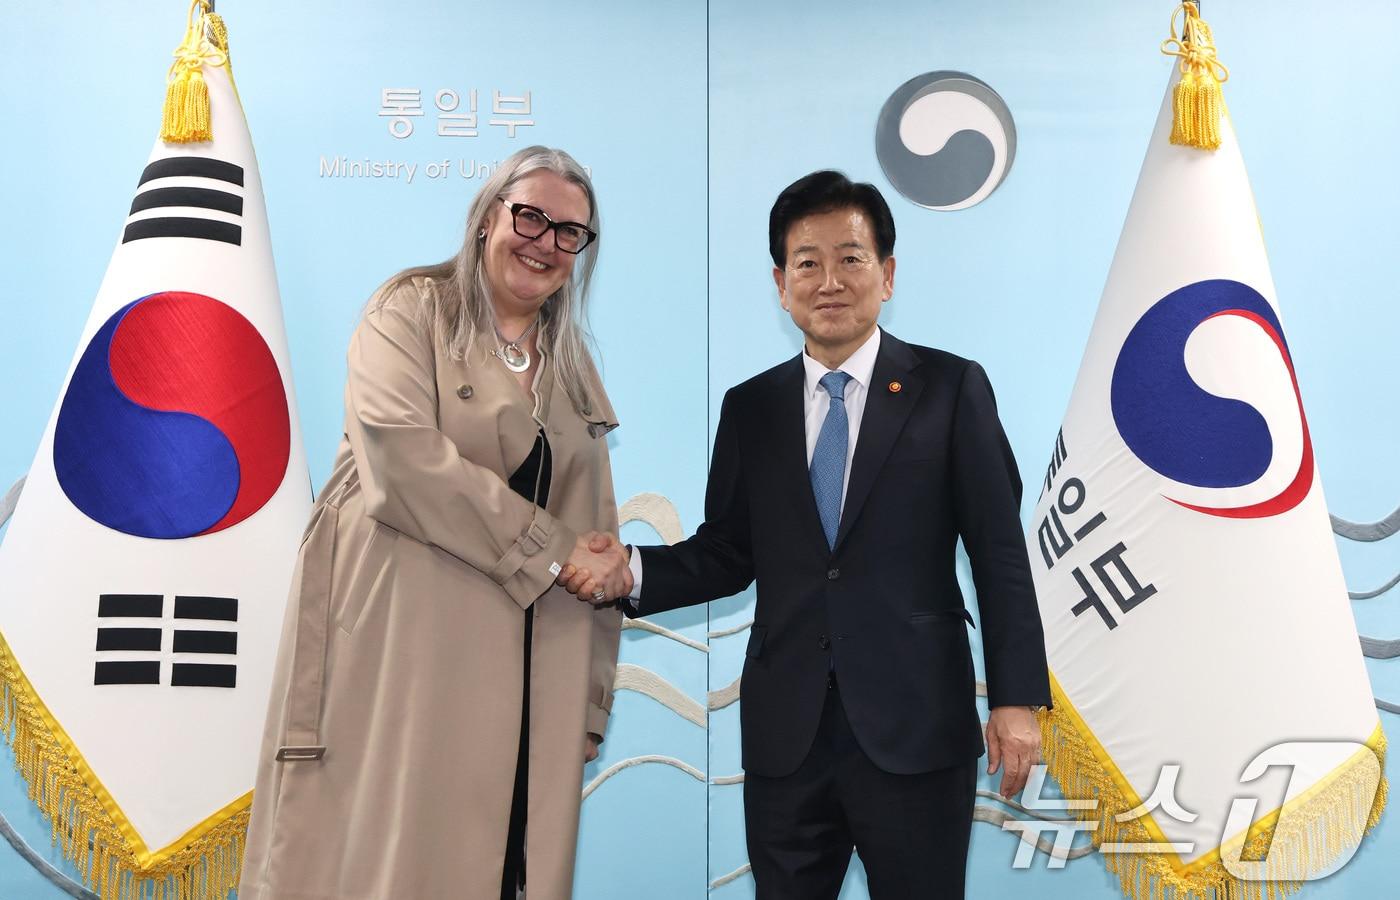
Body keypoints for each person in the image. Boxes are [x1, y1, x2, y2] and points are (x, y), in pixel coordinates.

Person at [566, 170, 1051, 899]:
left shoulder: (951, 390)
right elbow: (729, 551)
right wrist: (629, 568)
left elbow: (999, 555)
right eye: (807, 261)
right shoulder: (751, 408)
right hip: (787, 736)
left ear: (886, 275)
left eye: (851, 258)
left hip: (916, 729)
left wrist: (1016, 698)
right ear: (780, 280)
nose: (830, 279)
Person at [239, 146, 633, 900]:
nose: (545, 242)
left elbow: (595, 526)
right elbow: (403, 460)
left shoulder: (571, 359)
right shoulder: (411, 309)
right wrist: (552, 549)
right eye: (530, 217)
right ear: (489, 218)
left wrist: (588, 698)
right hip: (400, 649)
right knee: (380, 860)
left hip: (527, 673)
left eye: (569, 233)